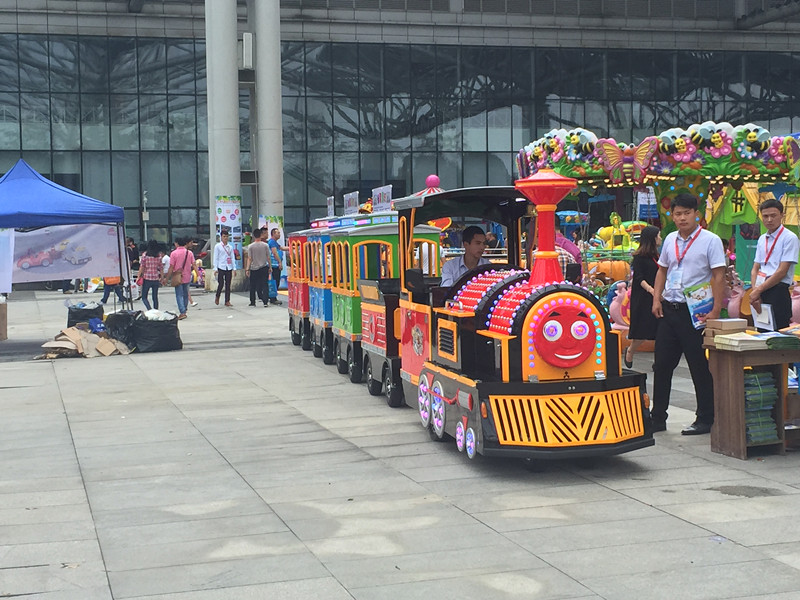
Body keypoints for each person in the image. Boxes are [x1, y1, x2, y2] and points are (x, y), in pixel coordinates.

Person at [651, 193, 726, 436]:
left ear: (697, 214)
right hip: (670, 309)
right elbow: (662, 270)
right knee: (662, 365)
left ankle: (705, 418)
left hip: (695, 312)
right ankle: (657, 417)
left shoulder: (710, 240)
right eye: (678, 214)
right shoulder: (670, 239)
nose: (682, 218)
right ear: (672, 216)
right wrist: (656, 298)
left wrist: (715, 310)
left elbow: (718, 276)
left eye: (687, 213)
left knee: (698, 365)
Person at [750, 199, 799, 330]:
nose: (769, 220)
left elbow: (782, 271)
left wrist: (758, 291)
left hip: (778, 289)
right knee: (761, 331)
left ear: (782, 215)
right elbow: (755, 268)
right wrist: (755, 291)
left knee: (778, 333)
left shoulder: (789, 238)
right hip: (760, 289)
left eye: (773, 215)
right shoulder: (762, 239)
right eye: (765, 216)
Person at [625, 225, 661, 368]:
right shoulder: (639, 257)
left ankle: (659, 361)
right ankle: (630, 351)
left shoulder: (657, 256)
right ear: (652, 238)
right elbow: (639, 278)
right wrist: (651, 290)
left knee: (660, 330)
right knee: (643, 329)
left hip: (657, 295)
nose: (660, 238)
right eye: (659, 236)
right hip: (643, 297)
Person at [166, 237, 197, 320]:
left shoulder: (174, 253)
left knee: (179, 295)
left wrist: (167, 278)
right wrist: (198, 274)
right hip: (187, 276)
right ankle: (184, 310)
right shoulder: (189, 253)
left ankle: (182, 312)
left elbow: (171, 267)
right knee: (185, 294)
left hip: (177, 277)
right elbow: (194, 264)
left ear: (177, 243)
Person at [245, 227, 270, 307]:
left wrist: (247, 269)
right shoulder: (265, 245)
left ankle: (252, 302)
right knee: (265, 284)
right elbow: (268, 257)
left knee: (253, 285)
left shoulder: (250, 246)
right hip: (264, 267)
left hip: (254, 268)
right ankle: (265, 302)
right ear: (261, 235)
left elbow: (249, 258)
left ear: (254, 236)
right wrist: (270, 267)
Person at [213, 230, 236, 307]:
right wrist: (215, 268)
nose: (225, 238)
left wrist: (234, 268)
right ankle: (217, 296)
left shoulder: (230, 247)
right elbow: (215, 258)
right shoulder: (218, 246)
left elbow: (232, 258)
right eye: (224, 236)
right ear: (221, 237)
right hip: (221, 266)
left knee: (228, 284)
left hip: (228, 267)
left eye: (226, 236)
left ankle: (227, 300)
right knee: (221, 283)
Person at [138, 239, 163, 310]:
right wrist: (162, 277)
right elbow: (161, 268)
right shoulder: (158, 255)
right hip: (155, 278)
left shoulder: (145, 255)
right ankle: (156, 310)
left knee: (144, 297)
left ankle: (149, 309)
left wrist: (138, 276)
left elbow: (142, 267)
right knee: (155, 297)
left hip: (147, 278)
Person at [267, 228, 284, 305]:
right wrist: (279, 262)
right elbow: (274, 252)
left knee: (275, 281)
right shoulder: (272, 242)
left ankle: (272, 297)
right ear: (273, 234)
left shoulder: (274, 242)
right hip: (274, 265)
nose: (279, 234)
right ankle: (273, 298)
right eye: (278, 233)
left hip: (275, 265)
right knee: (275, 282)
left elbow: (281, 248)